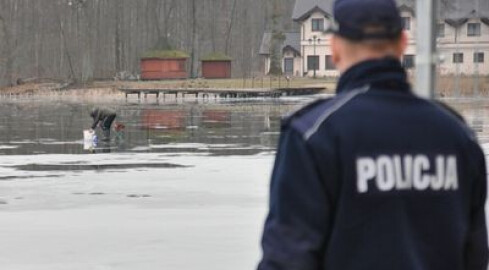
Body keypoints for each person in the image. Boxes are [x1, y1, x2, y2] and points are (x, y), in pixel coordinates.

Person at [257, 0, 488, 269]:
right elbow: (475, 256)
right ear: (402, 43)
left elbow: (287, 259)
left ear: (334, 49)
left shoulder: (314, 135)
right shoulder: (458, 135)